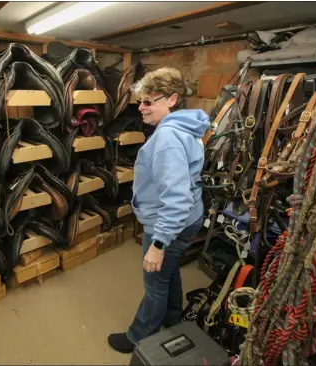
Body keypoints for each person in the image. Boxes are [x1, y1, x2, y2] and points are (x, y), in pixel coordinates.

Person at [108, 67, 210, 354]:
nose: (141, 107)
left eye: (149, 101)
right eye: (141, 101)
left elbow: (175, 198)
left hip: (169, 221)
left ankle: (138, 336)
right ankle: (172, 317)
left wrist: (158, 242)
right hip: (188, 215)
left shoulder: (167, 138)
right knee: (168, 271)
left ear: (172, 99)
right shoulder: (186, 128)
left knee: (154, 281)